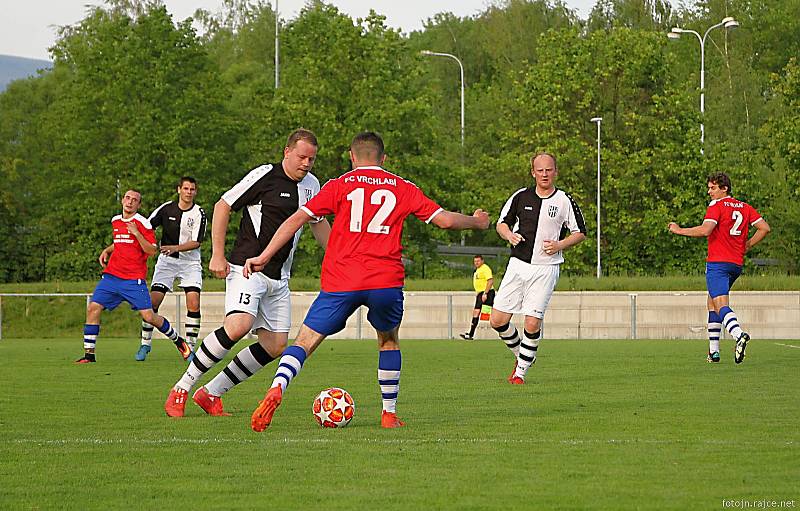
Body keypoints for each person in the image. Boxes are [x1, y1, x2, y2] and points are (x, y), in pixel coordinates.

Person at [244, 131, 490, 432]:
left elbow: (296, 219)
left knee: (305, 342)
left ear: (352, 156)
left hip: (341, 280)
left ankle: (277, 387)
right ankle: (389, 413)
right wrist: (478, 222)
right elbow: (446, 221)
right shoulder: (402, 187)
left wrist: (265, 255)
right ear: (383, 159)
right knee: (388, 341)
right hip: (384, 282)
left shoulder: (339, 185)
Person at [164, 128, 331, 417]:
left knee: (276, 344)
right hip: (246, 268)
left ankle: (212, 393)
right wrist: (217, 254)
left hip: (280, 278)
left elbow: (318, 223)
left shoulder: (312, 185)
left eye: (312, 160)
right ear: (287, 152)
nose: (306, 164)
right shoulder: (265, 175)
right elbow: (223, 204)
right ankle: (182, 387)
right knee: (239, 325)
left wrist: (340, 257)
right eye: (302, 157)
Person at [489, 152, 586, 384]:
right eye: (540, 170)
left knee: (532, 322)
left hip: (546, 268)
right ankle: (523, 356)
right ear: (533, 172)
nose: (544, 174)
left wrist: (560, 244)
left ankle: (520, 373)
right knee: (497, 320)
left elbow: (580, 232)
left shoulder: (564, 200)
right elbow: (501, 223)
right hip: (518, 265)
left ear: (556, 172)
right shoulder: (521, 196)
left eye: (549, 170)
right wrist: (509, 235)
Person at [76, 189, 191, 363]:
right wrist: (107, 250)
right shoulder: (116, 220)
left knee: (149, 317)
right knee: (93, 308)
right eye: (128, 198)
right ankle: (89, 355)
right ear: (122, 200)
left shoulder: (143, 224)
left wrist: (137, 233)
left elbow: (152, 250)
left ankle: (179, 341)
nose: (130, 202)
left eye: (134, 200)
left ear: (139, 204)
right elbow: (120, 242)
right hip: (112, 277)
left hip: (132, 280)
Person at [669, 172, 770, 364]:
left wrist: (679, 230)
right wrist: (746, 245)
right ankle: (714, 352)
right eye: (709, 188)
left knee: (721, 303)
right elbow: (764, 228)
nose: (709, 192)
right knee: (712, 301)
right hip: (735, 264)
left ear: (724, 189)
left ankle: (738, 334)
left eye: (713, 188)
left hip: (718, 263)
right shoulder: (745, 207)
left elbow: (706, 230)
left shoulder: (717, 206)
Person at [136, 176, 207, 361]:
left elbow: (196, 242)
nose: (188, 192)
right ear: (179, 190)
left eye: (192, 189)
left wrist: (176, 247)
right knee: (152, 303)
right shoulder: (166, 208)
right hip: (167, 262)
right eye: (186, 188)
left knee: (193, 303)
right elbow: (146, 227)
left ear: (195, 192)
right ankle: (145, 345)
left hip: (190, 263)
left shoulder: (199, 213)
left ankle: (190, 349)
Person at [459, 255, 495, 340]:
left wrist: (485, 293)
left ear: (482, 261)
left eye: (478, 261)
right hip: (480, 293)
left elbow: (490, 281)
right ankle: (470, 334)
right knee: (476, 313)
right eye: (475, 261)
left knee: (487, 315)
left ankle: (502, 330)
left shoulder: (485, 268)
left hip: (487, 293)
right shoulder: (478, 270)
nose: (476, 263)